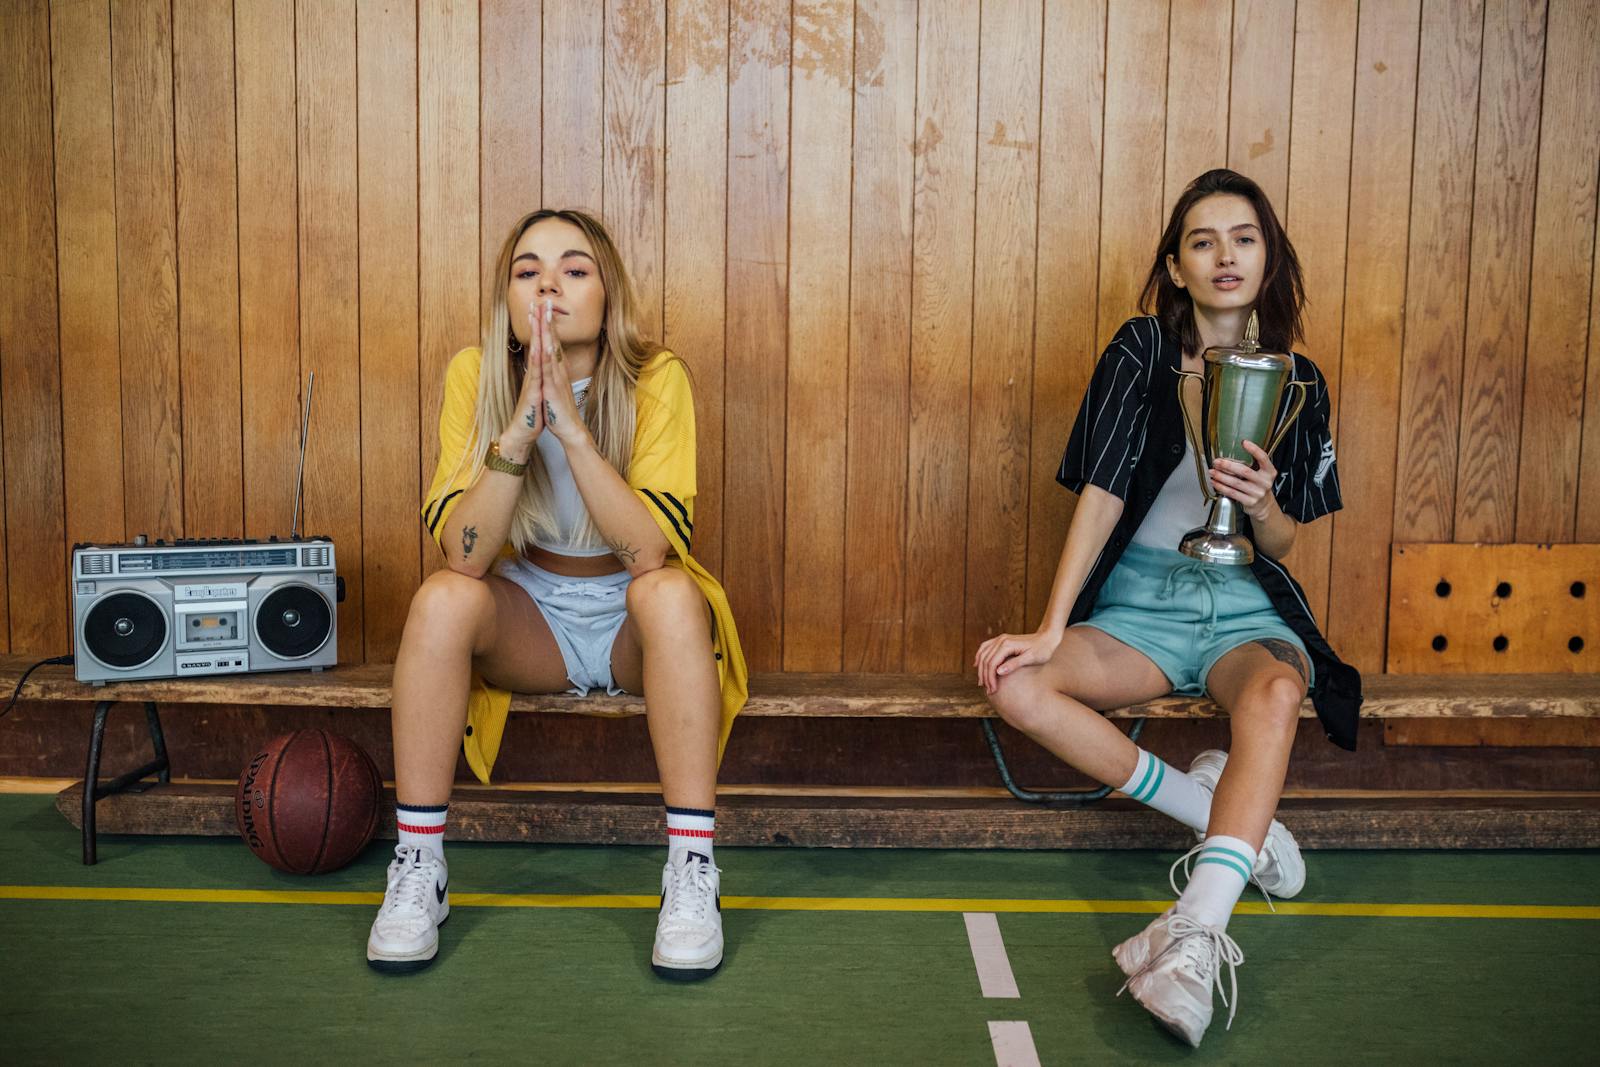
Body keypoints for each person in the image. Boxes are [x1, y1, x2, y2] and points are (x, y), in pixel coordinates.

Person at [975, 169, 1360, 1047]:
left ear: (1270, 256)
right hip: (1140, 603)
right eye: (1202, 241)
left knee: (1274, 695)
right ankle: (1224, 818)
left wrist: (1263, 505)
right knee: (1016, 682)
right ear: (1176, 265)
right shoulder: (1141, 350)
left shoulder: (1301, 379)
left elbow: (1291, 543)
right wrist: (1050, 623)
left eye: (1244, 238)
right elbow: (1103, 490)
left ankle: (1194, 934)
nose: (1225, 256)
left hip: (1244, 601)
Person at [366, 209, 747, 981]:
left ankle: (691, 872)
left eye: (574, 269)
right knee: (440, 599)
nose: (548, 284)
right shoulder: (475, 374)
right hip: (531, 611)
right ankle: (419, 868)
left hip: (631, 620)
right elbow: (463, 555)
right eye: (527, 270)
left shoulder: (657, 376)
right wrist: (515, 436)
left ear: (609, 296)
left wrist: (571, 430)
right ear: (506, 298)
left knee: (672, 595)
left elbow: (649, 551)